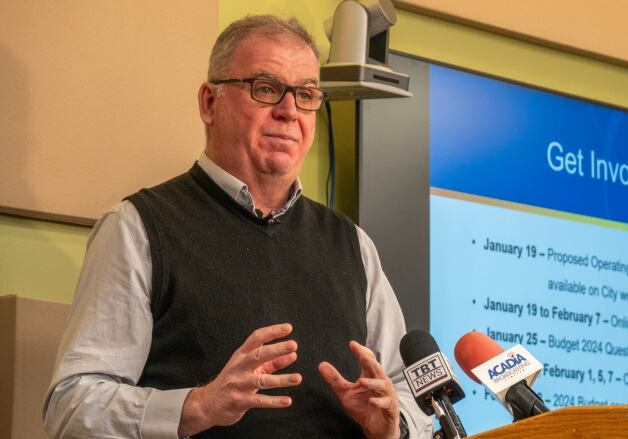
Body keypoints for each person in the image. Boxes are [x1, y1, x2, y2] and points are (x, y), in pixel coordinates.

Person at [42, 15, 432, 439]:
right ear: (209, 103)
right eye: (265, 89)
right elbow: (73, 407)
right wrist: (198, 406)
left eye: (305, 94)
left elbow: (410, 391)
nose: (288, 112)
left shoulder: (351, 243)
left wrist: (394, 427)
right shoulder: (137, 228)